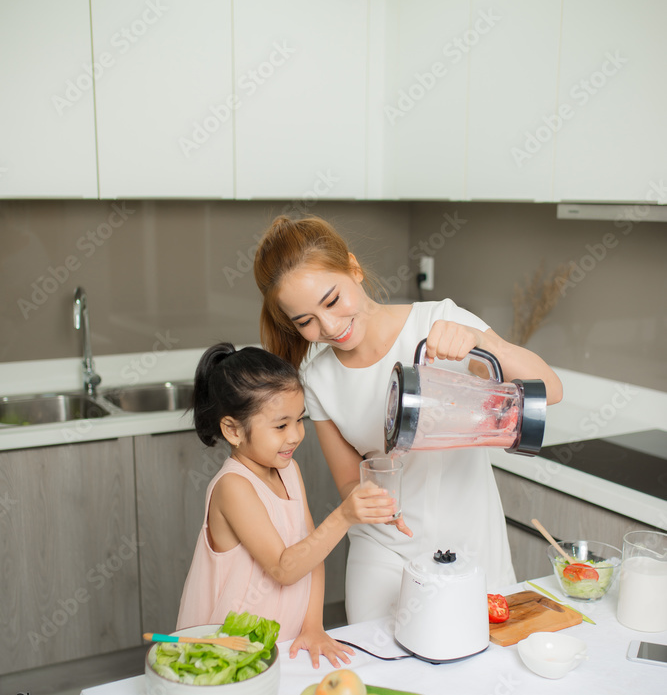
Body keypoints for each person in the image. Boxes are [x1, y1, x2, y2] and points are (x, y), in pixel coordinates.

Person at [253, 215, 563, 623]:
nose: (328, 326)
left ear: (354, 268)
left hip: (472, 539)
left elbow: (551, 389)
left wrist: (483, 343)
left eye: (332, 301)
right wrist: (375, 501)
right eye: (305, 321)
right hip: (385, 552)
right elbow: (349, 480)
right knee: (384, 672)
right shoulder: (318, 378)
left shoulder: (439, 321)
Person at [175, 342, 397, 667]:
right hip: (227, 649)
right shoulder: (233, 487)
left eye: (300, 420)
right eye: (281, 426)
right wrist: (345, 515)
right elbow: (284, 568)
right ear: (233, 430)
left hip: (283, 642)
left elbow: (312, 552)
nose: (295, 435)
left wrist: (313, 627)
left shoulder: (288, 470)